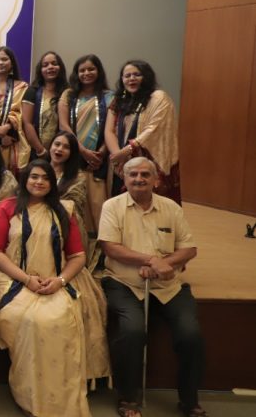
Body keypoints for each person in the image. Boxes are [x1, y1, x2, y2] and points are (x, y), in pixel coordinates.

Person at [99, 157, 205, 417]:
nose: (139, 179)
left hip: (168, 286)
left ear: (156, 180)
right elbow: (111, 248)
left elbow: (189, 248)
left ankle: (189, 401)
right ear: (124, 179)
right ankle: (128, 398)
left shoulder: (171, 208)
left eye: (145, 174)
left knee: (191, 335)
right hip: (124, 283)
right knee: (132, 331)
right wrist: (151, 260)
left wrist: (163, 264)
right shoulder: (112, 206)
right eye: (133, 174)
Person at [0, 160, 90, 417]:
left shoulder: (63, 211)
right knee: (32, 321)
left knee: (62, 319)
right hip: (12, 280)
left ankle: (61, 401)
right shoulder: (7, 208)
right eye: (34, 177)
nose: (39, 182)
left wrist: (60, 281)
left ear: (52, 183)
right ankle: (31, 398)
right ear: (25, 180)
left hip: (54, 281)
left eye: (45, 178)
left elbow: (77, 256)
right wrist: (26, 279)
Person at [49, 131, 111, 384]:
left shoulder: (78, 178)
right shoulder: (38, 170)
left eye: (65, 147)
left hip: (67, 232)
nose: (59, 149)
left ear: (72, 153)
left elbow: (71, 206)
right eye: (56, 144)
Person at [105, 60, 181, 203]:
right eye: (127, 76)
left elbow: (153, 129)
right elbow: (109, 130)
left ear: (146, 77)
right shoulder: (119, 100)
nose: (131, 78)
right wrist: (119, 157)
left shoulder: (158, 97)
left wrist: (128, 150)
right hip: (120, 165)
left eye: (137, 74)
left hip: (146, 163)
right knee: (121, 206)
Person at [57, 54, 113, 236]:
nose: (86, 73)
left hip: (99, 160)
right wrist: (81, 151)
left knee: (98, 205)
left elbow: (112, 128)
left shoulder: (109, 96)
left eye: (91, 69)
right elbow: (63, 125)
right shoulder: (69, 95)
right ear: (76, 73)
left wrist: (101, 153)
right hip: (73, 155)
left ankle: (99, 246)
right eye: (82, 70)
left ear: (99, 71)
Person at [22, 51, 68, 161]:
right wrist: (40, 150)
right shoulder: (32, 91)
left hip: (62, 152)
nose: (50, 67)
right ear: (40, 70)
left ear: (60, 67)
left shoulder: (68, 92)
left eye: (54, 63)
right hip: (36, 152)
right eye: (45, 65)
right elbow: (27, 123)